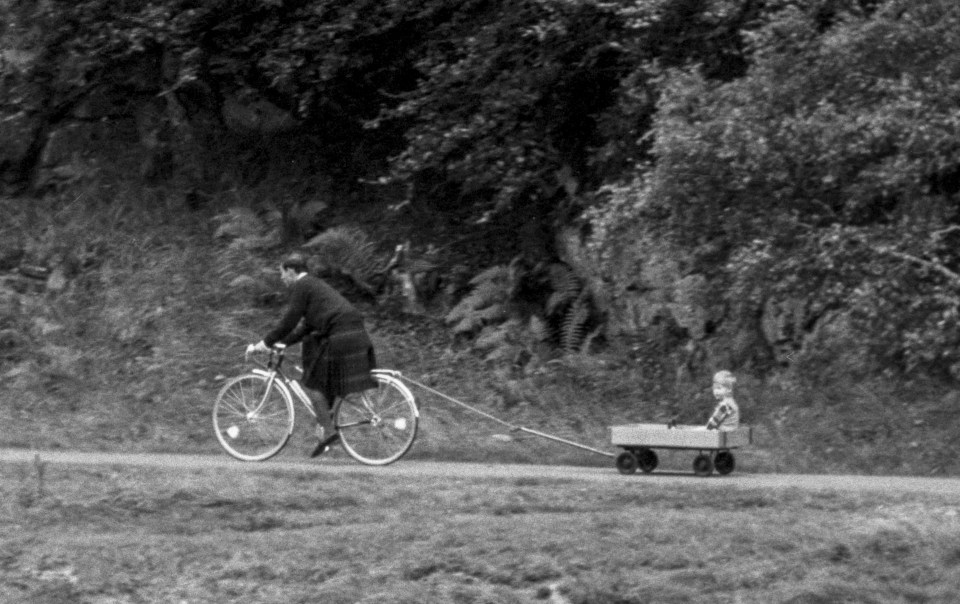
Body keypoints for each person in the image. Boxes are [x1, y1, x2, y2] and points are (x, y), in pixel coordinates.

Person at [248, 253, 378, 457]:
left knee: (314, 384)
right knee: (327, 383)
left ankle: (328, 432)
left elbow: (290, 319)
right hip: (352, 330)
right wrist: (282, 343)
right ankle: (327, 425)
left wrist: (265, 343)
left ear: (291, 271)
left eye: (282, 273)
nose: (282, 278)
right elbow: (306, 326)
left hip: (340, 333)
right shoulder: (315, 286)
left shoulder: (303, 285)